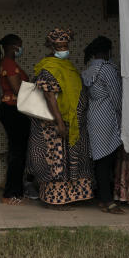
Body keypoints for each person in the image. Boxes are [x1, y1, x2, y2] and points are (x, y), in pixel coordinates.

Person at [26, 28, 93, 209]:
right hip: (54, 126)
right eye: (60, 46)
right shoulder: (48, 69)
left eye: (65, 45)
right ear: (52, 47)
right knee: (56, 162)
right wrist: (60, 122)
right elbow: (49, 97)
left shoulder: (68, 66)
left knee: (72, 160)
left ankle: (70, 196)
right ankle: (54, 200)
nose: (64, 49)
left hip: (73, 124)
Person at [82, 36, 124, 214]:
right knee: (106, 160)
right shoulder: (107, 69)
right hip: (107, 117)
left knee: (100, 159)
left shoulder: (90, 69)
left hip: (93, 115)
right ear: (107, 51)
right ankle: (107, 200)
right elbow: (117, 98)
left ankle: (101, 197)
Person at [0, 33, 29, 205]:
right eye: (19, 45)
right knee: (17, 153)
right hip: (12, 109)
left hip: (13, 109)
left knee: (18, 152)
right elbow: (17, 89)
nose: (21, 49)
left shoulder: (9, 63)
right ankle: (10, 194)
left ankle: (16, 192)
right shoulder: (8, 63)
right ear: (13, 46)